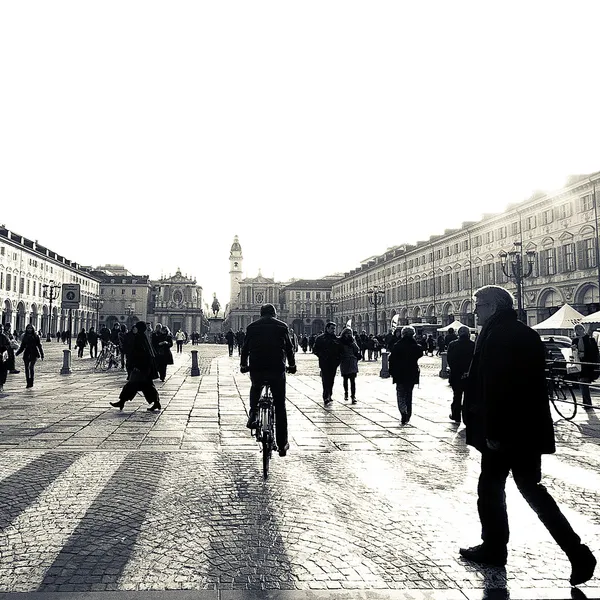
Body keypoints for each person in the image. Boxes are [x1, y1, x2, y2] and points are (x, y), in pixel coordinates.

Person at [460, 285, 596, 586]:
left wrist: (493, 431)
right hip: (526, 428)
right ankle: (576, 552)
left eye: (479, 304)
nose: (475, 310)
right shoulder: (520, 332)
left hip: (506, 431)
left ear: (494, 306)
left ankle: (496, 548)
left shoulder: (499, 335)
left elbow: (500, 387)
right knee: (527, 489)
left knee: (492, 491)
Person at [240, 303, 296, 457]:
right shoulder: (282, 326)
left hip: (257, 366)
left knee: (256, 387)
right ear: (274, 313)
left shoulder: (252, 327)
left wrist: (244, 364)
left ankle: (253, 414)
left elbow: (245, 348)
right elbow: (289, 348)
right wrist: (292, 365)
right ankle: (282, 444)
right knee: (279, 405)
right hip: (276, 367)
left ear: (261, 313)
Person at [111, 321, 161, 411]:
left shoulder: (139, 337)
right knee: (147, 386)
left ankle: (121, 402)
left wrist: (137, 365)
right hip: (145, 366)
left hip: (141, 366)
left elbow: (140, 353)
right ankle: (156, 402)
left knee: (132, 384)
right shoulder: (143, 336)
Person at [388, 325, 423, 424]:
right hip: (411, 373)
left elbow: (392, 360)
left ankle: (403, 411)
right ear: (413, 335)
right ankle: (408, 415)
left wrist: (391, 372)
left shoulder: (397, 345)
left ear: (403, 334)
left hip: (399, 374)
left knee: (400, 394)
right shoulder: (415, 346)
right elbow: (420, 353)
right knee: (409, 394)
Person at [446, 326, 475, 423]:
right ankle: (467, 418)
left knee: (457, 395)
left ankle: (456, 415)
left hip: (456, 374)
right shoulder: (473, 345)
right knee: (468, 397)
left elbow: (449, 359)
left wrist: (454, 369)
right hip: (469, 374)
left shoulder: (452, 345)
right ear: (468, 334)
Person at [313, 322, 341, 405]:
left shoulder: (336, 338)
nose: (333, 330)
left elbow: (340, 349)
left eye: (334, 329)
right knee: (325, 379)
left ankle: (330, 395)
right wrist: (321, 355)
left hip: (334, 362)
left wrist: (338, 359)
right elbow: (315, 350)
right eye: (332, 328)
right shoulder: (320, 338)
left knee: (331, 379)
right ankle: (326, 396)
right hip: (324, 362)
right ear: (327, 328)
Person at [572, 323, 599, 408]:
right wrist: (573, 350)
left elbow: (595, 353)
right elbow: (573, 353)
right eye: (577, 329)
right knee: (582, 383)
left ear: (583, 330)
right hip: (579, 363)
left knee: (583, 383)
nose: (579, 331)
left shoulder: (590, 339)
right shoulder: (575, 340)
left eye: (580, 329)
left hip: (587, 364)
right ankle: (586, 403)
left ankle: (587, 403)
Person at [15, 324, 44, 388]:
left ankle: (32, 381)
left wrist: (42, 354)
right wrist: (17, 353)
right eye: (28, 328)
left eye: (31, 328)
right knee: (26, 369)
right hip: (26, 353)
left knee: (31, 367)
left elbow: (39, 346)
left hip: (34, 353)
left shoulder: (36, 336)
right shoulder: (24, 336)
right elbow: (22, 347)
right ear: (26, 329)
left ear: (33, 329)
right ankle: (28, 382)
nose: (29, 330)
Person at [339, 327, 360, 403]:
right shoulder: (341, 341)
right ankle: (346, 393)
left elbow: (357, 349)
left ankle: (353, 396)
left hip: (352, 361)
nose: (349, 335)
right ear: (344, 334)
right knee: (345, 379)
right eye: (347, 333)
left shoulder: (352, 340)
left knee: (353, 380)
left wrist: (353, 342)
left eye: (350, 333)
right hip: (344, 361)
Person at [0, 328, 15, 392]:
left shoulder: (4, 337)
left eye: (1, 329)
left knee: (3, 371)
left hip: (2, 357)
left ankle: (1, 385)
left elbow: (8, 346)